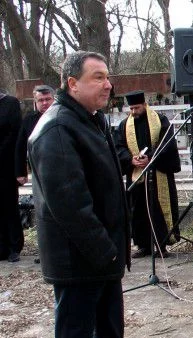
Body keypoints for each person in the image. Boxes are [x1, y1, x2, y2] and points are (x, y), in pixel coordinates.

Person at [27, 51, 130, 337]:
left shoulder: (88, 119)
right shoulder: (58, 128)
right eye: (98, 78)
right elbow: (71, 206)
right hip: (80, 264)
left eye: (107, 77)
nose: (108, 84)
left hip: (99, 262)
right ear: (72, 84)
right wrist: (107, 253)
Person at [114, 90, 181, 259]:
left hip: (158, 171)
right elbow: (118, 147)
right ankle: (143, 245)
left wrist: (150, 158)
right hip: (136, 174)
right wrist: (131, 160)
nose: (134, 112)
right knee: (138, 211)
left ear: (144, 105)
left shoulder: (160, 121)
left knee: (157, 210)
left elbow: (167, 143)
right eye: (131, 109)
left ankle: (162, 244)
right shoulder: (124, 125)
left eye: (137, 108)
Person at [15, 85, 55, 186]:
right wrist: (20, 172)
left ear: (54, 99)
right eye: (41, 100)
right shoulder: (29, 120)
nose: (45, 103)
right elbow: (20, 146)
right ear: (35, 102)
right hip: (38, 169)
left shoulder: (65, 117)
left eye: (48, 99)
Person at [0, 91, 23, 263]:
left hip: (5, 164)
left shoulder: (10, 103)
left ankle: (14, 246)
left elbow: (15, 134)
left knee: (9, 205)